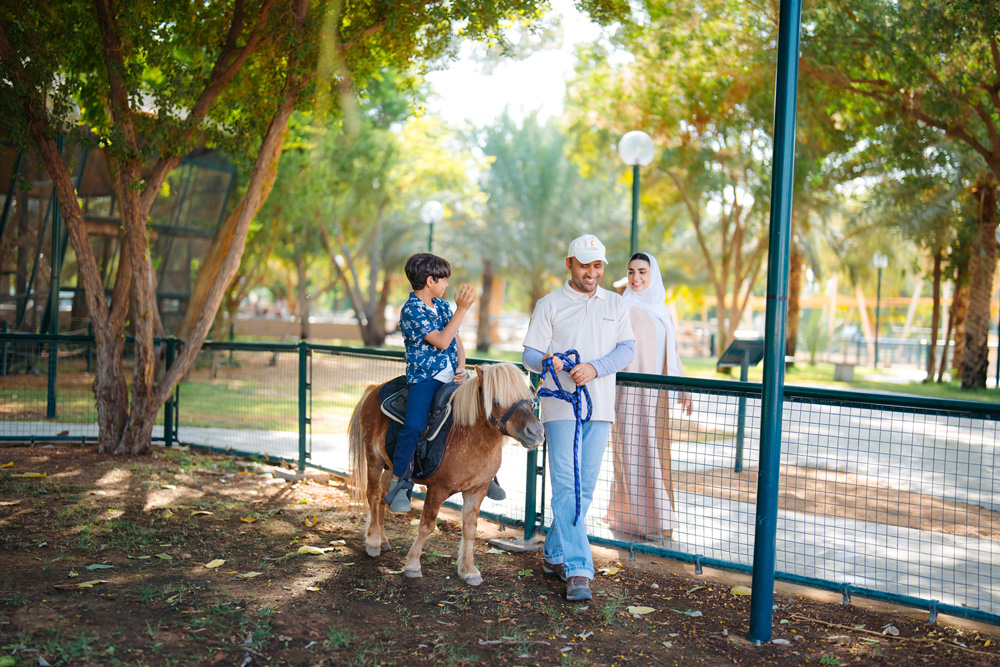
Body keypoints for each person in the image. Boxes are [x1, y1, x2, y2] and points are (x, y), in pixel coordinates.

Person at [521, 234, 634, 602]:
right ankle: (579, 569)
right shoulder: (549, 304)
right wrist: (547, 362)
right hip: (560, 409)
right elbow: (530, 354)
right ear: (570, 263)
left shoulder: (616, 305)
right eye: (584, 265)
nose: (592, 272)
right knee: (567, 487)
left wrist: (596, 368)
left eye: (598, 265)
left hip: (600, 407)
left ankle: (554, 554)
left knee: (584, 489)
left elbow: (627, 349)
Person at [604, 252, 693, 542]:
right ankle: (645, 521)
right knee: (634, 451)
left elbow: (673, 352)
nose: (636, 278)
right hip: (631, 392)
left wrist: (683, 388)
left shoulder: (662, 310)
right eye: (631, 272)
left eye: (642, 272)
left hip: (658, 395)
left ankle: (641, 517)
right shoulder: (623, 307)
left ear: (653, 274)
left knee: (655, 451)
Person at [385, 253, 477, 513]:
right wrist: (463, 310)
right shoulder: (411, 310)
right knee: (414, 426)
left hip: (451, 374)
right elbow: (441, 341)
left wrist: (461, 368)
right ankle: (398, 483)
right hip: (425, 378)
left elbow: (457, 343)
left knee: (479, 412)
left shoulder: (444, 307)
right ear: (429, 281)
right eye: (444, 280)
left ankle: (485, 475)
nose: (447, 285)